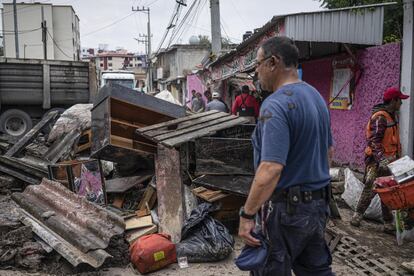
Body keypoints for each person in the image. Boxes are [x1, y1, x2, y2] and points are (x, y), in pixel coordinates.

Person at [238, 36, 334, 275]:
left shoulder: (276, 105)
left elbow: (270, 168)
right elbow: (328, 153)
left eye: (258, 64)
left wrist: (247, 214)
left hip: (287, 212)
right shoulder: (316, 97)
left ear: (273, 62)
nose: (257, 72)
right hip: (318, 207)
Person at [350, 87, 409, 232]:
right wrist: (381, 159)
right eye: (399, 100)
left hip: (389, 161)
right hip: (377, 161)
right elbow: (374, 141)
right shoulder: (380, 117)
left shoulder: (391, 116)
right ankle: (357, 216)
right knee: (370, 186)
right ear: (393, 101)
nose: (401, 104)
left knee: (388, 191)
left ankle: (387, 223)